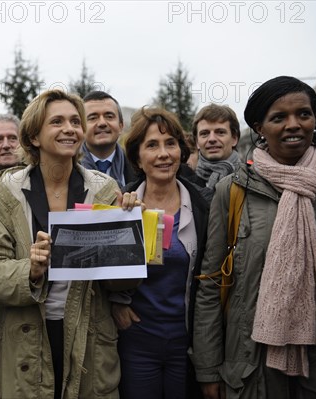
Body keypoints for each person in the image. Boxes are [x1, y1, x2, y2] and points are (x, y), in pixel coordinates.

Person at [191, 76, 316, 399]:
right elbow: (211, 285)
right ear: (259, 127)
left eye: (303, 114)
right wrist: (208, 368)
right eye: (278, 117)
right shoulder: (231, 191)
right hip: (250, 373)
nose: (294, 124)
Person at [0, 89, 138, 399]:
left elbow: (122, 281)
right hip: (25, 338)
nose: (70, 129)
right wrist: (30, 271)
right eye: (57, 121)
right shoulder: (8, 192)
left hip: (88, 338)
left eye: (75, 121)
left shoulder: (105, 190)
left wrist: (131, 234)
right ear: (34, 136)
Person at [111, 107, 209, 399]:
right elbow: (100, 268)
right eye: (152, 145)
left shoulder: (205, 205)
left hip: (187, 341)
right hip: (137, 339)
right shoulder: (119, 206)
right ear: (137, 158)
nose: (164, 154)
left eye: (171, 143)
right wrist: (115, 300)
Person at [80, 90, 137, 188]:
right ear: (81, 127)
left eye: (109, 116)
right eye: (93, 118)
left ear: (121, 126)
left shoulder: (139, 167)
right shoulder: (67, 168)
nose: (102, 123)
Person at [191, 104, 241, 190]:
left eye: (220, 132)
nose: (212, 139)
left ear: (234, 139)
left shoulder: (251, 182)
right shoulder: (184, 187)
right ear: (197, 142)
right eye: (204, 133)